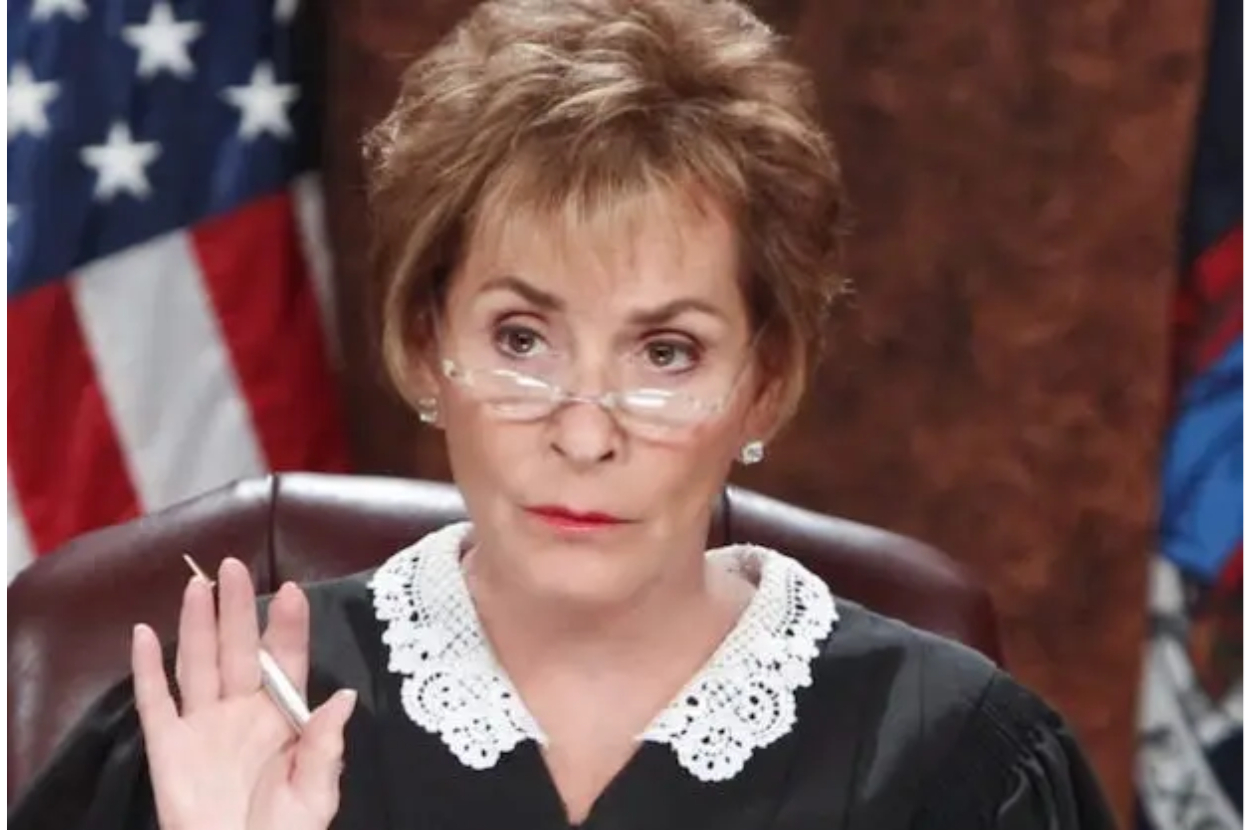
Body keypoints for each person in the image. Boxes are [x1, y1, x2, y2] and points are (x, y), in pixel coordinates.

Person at [9, 1, 1120, 828]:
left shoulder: (958, 764)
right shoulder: (218, 720)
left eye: (665, 351)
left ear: (764, 382)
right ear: (421, 344)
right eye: (521, 339)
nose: (584, 434)